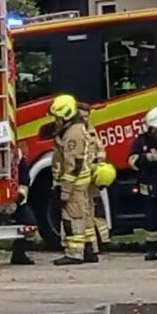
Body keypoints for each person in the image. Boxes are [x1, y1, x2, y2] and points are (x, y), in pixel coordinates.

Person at [49, 94, 95, 266]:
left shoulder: (74, 133)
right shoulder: (73, 129)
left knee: (72, 217)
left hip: (73, 183)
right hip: (77, 182)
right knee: (82, 215)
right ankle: (88, 249)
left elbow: (73, 163)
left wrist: (65, 190)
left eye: (58, 117)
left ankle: (75, 253)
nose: (56, 120)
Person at [128, 107, 157, 260]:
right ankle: (153, 249)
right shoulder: (142, 140)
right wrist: (149, 158)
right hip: (149, 188)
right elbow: (132, 162)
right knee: (152, 220)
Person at [79, 102, 110, 257]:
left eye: (86, 116)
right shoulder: (76, 132)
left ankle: (103, 241)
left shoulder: (92, 131)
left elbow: (101, 150)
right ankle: (92, 245)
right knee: (86, 212)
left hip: (92, 178)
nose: (84, 119)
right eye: (81, 116)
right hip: (82, 178)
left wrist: (99, 166)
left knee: (97, 211)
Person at [9, 148, 36, 265]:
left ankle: (19, 254)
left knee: (30, 225)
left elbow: (25, 182)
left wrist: (17, 199)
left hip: (17, 201)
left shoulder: (20, 161)